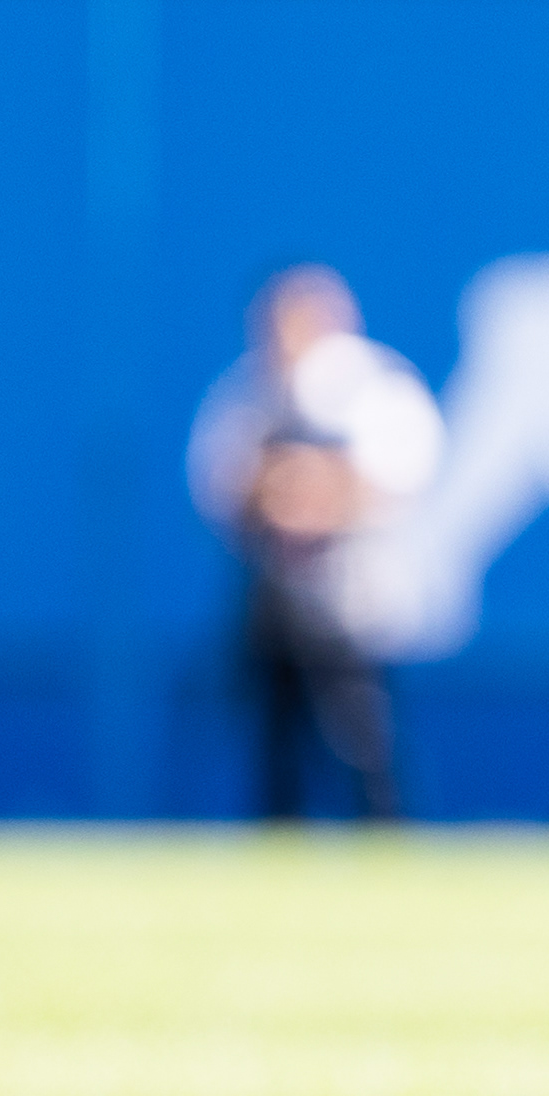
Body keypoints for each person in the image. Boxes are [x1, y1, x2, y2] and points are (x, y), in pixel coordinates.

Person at [187, 266, 444, 820]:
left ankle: (384, 840)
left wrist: (316, 490)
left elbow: (400, 482)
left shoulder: (375, 387)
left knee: (363, 739)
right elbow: (219, 484)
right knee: (275, 740)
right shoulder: (248, 391)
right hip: (273, 597)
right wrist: (273, 491)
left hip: (353, 600)